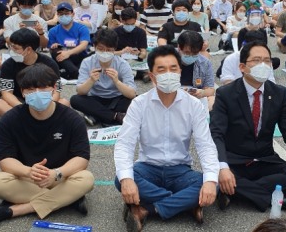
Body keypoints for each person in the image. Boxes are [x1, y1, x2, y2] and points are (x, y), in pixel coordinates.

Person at [114, 45, 219, 230]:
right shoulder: (139, 104)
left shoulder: (194, 105)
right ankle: (186, 204)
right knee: (121, 177)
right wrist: (127, 181)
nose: (168, 74)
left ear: (180, 71)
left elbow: (205, 145)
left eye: (173, 68)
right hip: (147, 168)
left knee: (211, 183)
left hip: (180, 170)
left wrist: (210, 181)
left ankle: (146, 209)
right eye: (161, 70)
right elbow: (125, 144)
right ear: (152, 75)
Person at [210, 41, 286, 215]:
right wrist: (223, 167)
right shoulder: (226, 94)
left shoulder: (278, 92)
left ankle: (236, 193)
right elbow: (216, 133)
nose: (263, 65)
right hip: (235, 160)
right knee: (217, 177)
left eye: (267, 60)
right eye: (256, 60)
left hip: (265, 159)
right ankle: (284, 200)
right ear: (242, 67)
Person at [0, 64, 93, 225]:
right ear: (22, 92)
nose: (37, 94)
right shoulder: (11, 119)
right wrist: (29, 172)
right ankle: (68, 200)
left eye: (43, 88)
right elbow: (5, 160)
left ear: (53, 89)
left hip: (60, 176)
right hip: (28, 177)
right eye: (30, 89)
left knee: (86, 178)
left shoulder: (71, 118)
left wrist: (56, 173)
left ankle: (16, 210)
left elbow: (82, 158)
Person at [0, 28, 67, 116]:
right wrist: (23, 108)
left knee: (64, 102)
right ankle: (34, 121)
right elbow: (6, 93)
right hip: (19, 101)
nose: (12, 51)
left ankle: (25, 123)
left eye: (15, 48)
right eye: (11, 47)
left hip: (45, 101)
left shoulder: (49, 64)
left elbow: (56, 91)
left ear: (28, 50)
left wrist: (45, 107)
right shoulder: (8, 64)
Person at [71, 29, 136, 126]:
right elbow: (80, 91)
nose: (105, 53)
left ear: (114, 49)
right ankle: (115, 116)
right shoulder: (87, 62)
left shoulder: (122, 64)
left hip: (116, 98)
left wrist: (117, 81)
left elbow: (132, 94)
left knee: (135, 101)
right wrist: (91, 80)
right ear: (94, 47)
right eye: (101, 49)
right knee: (75, 100)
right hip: (95, 98)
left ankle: (97, 115)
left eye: (109, 50)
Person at [48, 2, 91, 80]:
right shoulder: (53, 31)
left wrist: (68, 53)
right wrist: (55, 46)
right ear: (57, 15)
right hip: (62, 59)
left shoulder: (82, 28)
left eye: (67, 13)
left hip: (79, 57)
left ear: (73, 14)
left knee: (94, 54)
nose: (64, 16)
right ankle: (75, 73)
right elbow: (50, 48)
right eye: (61, 14)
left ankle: (70, 73)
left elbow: (84, 45)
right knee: (54, 49)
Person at [177, 31, 215, 108]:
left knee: (213, 101)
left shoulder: (205, 63)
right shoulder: (169, 60)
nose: (191, 56)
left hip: (195, 97)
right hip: (173, 96)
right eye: (187, 53)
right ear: (179, 48)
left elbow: (210, 89)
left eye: (195, 53)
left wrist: (202, 93)